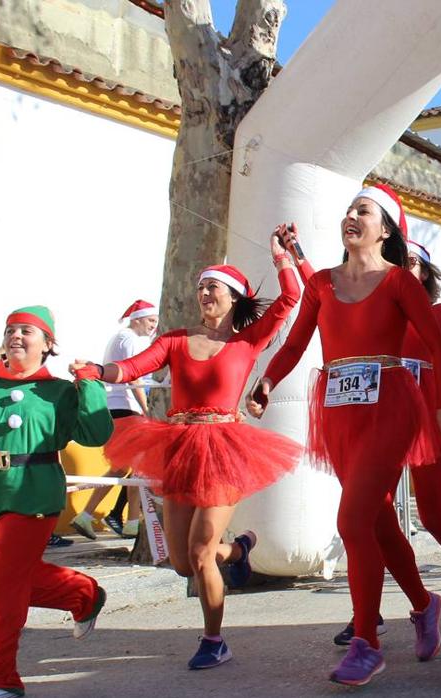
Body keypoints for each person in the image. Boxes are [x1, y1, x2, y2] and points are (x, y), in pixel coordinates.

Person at [251, 187, 441, 687]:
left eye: (363, 211)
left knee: (352, 519)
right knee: (378, 522)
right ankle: (426, 606)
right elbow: (296, 344)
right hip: (339, 414)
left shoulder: (400, 283)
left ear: (385, 230)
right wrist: (267, 382)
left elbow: (439, 349)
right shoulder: (321, 283)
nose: (351, 216)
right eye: (349, 210)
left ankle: (367, 641)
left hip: (391, 408)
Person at [74, 232, 302, 670]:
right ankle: (236, 553)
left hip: (225, 446)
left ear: (233, 296)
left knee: (200, 552)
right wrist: (96, 370)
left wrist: (280, 255)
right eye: (200, 286)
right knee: (182, 563)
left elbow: (291, 296)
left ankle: (214, 639)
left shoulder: (246, 340)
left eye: (212, 286)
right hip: (179, 446)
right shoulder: (175, 340)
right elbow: (131, 368)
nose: (204, 292)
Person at [0, 306, 114, 698]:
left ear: (47, 344)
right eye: (10, 330)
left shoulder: (57, 392)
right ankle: (82, 594)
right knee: (9, 581)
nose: (16, 336)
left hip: (34, 495)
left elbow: (96, 432)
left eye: (26, 331)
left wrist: (89, 385)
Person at [70, 301, 158, 541]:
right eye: (151, 320)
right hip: (126, 408)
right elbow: (133, 376)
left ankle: (123, 520)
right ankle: (106, 517)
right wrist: (146, 409)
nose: (153, 325)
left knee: (129, 466)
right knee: (132, 467)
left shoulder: (120, 338)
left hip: (118, 408)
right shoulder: (127, 338)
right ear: (137, 319)